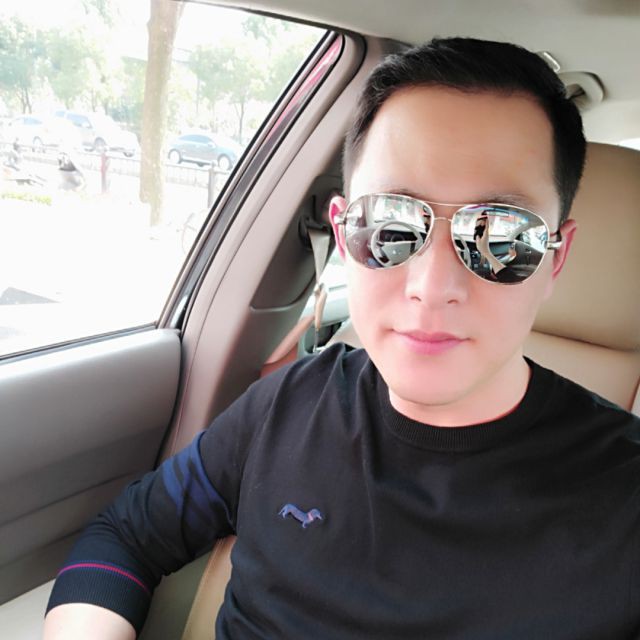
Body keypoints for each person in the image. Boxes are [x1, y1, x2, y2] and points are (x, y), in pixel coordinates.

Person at [44, 37, 640, 639]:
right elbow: (126, 535)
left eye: (502, 236)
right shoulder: (289, 404)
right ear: (343, 233)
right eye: (390, 222)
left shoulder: (625, 492)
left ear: (555, 258)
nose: (432, 287)